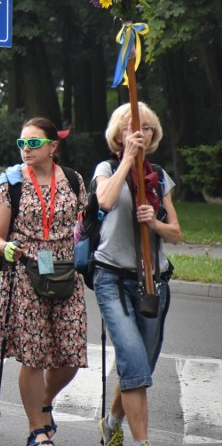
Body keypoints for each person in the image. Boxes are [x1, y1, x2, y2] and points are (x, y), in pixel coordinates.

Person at [0, 117, 88, 446]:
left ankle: (43, 400)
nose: (26, 150)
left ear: (52, 146)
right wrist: (7, 249)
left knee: (72, 352)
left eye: (34, 143)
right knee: (33, 354)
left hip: (65, 272)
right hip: (26, 272)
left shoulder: (74, 180)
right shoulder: (10, 183)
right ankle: (37, 430)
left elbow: (84, 227)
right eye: (22, 144)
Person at [93, 103, 181, 446]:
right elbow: (104, 200)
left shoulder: (159, 177)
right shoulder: (108, 167)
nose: (140, 133)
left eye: (146, 128)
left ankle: (112, 422)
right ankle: (142, 442)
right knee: (132, 358)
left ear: (154, 134)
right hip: (113, 279)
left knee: (138, 368)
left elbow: (175, 232)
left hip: (152, 283)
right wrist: (128, 160)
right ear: (119, 134)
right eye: (133, 128)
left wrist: (154, 221)